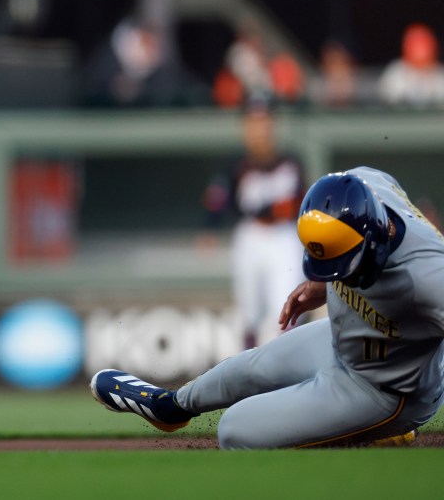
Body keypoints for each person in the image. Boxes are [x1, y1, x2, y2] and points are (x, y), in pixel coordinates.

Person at [91, 166, 444, 448]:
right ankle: (170, 407)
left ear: (374, 238)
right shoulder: (367, 181)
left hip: (383, 391)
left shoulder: (429, 278)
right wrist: (325, 282)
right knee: (249, 368)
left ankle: (379, 431)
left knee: (235, 431)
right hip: (339, 340)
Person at [201, 97, 307, 349]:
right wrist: (209, 228)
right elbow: (217, 199)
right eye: (253, 122)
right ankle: (249, 362)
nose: (259, 128)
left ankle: (287, 364)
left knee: (286, 309)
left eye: (264, 121)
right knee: (249, 314)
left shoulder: (291, 161)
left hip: (284, 235)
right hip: (250, 234)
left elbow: (302, 203)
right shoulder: (236, 164)